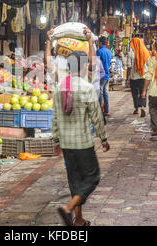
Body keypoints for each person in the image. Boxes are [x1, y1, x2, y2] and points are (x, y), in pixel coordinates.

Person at [52, 50, 109, 227]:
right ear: (83, 66)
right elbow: (96, 116)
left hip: (66, 143)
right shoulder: (86, 88)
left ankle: (79, 220)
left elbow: (54, 117)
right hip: (82, 143)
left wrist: (56, 141)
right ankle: (68, 208)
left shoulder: (60, 87)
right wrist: (103, 138)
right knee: (92, 177)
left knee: (75, 180)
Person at [127, 38, 149, 117]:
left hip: (134, 77)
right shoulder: (146, 52)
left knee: (135, 93)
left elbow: (129, 67)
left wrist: (127, 78)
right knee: (143, 92)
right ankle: (142, 106)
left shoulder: (131, 53)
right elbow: (149, 65)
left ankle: (136, 108)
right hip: (143, 76)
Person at [96, 36, 112, 117]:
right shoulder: (109, 51)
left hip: (101, 74)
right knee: (105, 92)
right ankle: (106, 110)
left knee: (100, 92)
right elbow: (109, 63)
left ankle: (100, 110)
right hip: (106, 74)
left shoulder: (99, 51)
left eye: (98, 42)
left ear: (100, 43)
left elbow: (96, 63)